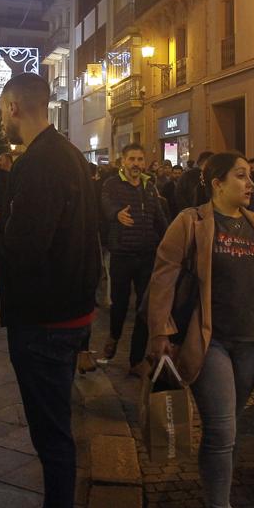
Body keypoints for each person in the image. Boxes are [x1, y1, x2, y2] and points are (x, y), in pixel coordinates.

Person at [0, 74, 100, 508]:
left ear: (13, 107)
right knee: (56, 430)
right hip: (68, 314)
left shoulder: (40, 162)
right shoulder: (69, 155)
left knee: (51, 436)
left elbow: (25, 249)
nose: (0, 121)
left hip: (45, 322)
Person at [146, 152, 254, 508]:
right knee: (221, 431)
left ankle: (215, 494)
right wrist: (160, 332)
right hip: (209, 339)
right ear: (217, 183)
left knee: (227, 428)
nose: (251, 184)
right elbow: (164, 276)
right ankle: (220, 505)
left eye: (250, 177)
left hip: (251, 344)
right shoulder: (192, 221)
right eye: (241, 176)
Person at [100, 143, 169, 374]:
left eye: (140, 159)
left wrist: (170, 240)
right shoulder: (112, 184)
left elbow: (158, 216)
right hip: (121, 254)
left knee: (143, 308)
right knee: (119, 304)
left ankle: (136, 360)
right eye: (132, 159)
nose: (136, 164)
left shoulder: (149, 187)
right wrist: (115, 214)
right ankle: (114, 335)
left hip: (147, 254)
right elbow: (105, 204)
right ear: (123, 162)